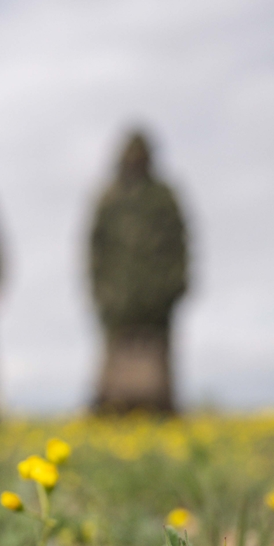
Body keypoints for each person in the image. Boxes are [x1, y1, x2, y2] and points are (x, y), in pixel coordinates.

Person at [89, 129, 189, 414]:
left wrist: (174, 286)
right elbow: (95, 250)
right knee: (115, 356)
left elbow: (179, 244)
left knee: (157, 358)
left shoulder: (163, 198)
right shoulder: (109, 199)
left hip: (157, 298)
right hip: (117, 297)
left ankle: (161, 408)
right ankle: (110, 407)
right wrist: (102, 291)